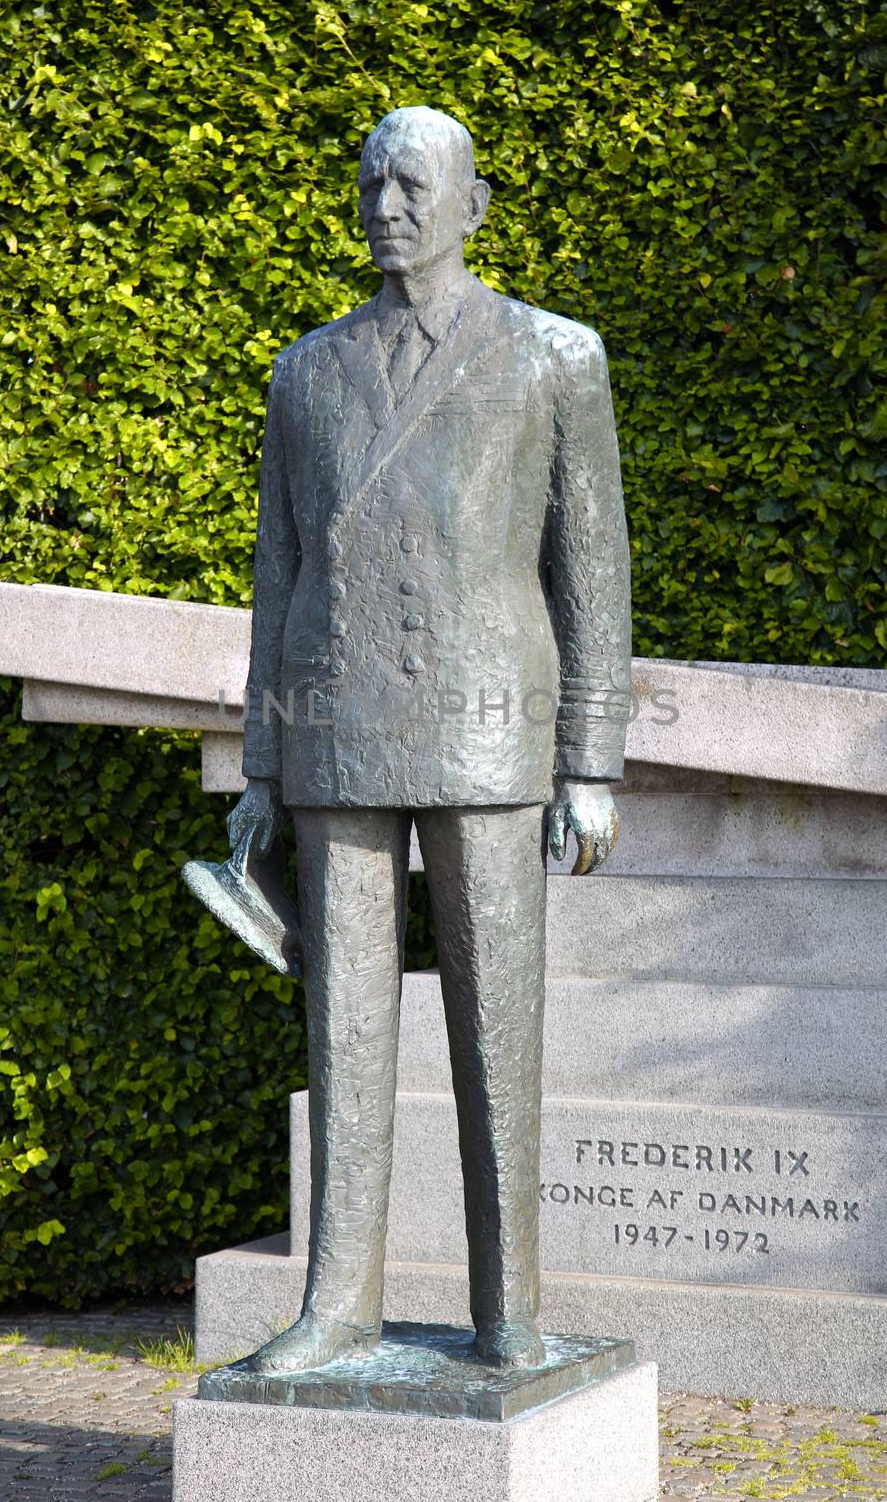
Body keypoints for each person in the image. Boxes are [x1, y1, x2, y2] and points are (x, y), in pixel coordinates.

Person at [227, 105, 630, 1372]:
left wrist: (589, 760)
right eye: (370, 185)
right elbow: (277, 572)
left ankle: (507, 1308)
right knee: (342, 1034)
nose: (385, 206)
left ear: (473, 204)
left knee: (494, 1032)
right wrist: (260, 762)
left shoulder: (553, 356)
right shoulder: (307, 370)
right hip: (336, 729)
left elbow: (593, 569)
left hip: (488, 734)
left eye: (411, 184)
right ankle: (334, 1303)